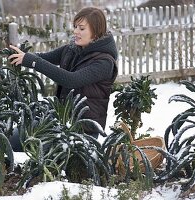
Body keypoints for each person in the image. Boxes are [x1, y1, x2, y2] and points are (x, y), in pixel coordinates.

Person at [8, 6, 118, 139]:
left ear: (96, 32)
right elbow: (45, 57)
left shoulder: (104, 62)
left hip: (83, 129)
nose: (76, 31)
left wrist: (32, 61)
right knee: (13, 139)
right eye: (75, 26)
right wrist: (22, 55)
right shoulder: (72, 49)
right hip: (61, 118)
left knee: (43, 153)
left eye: (81, 28)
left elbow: (71, 80)